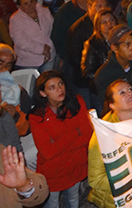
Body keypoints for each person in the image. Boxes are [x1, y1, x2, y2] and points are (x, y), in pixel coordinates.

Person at [29, 70, 93, 208]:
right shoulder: (37, 117)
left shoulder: (77, 102)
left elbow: (87, 135)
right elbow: (47, 152)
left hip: (76, 164)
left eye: (60, 84)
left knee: (74, 199)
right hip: (54, 171)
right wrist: (75, 133)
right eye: (52, 87)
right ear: (43, 93)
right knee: (52, 203)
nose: (59, 89)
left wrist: (57, 145)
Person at [87, 80, 132, 208]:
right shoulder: (104, 134)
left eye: (130, 89)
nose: (130, 93)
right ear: (112, 105)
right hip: (117, 200)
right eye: (122, 93)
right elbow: (96, 179)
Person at [9, 0, 56, 72]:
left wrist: (48, 47)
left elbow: (53, 30)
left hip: (49, 57)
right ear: (20, 6)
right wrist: (41, 49)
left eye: (31, 1)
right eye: (25, 3)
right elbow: (20, 41)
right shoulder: (15, 19)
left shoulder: (45, 12)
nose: (30, 5)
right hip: (28, 61)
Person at [81, 8, 118, 95]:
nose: (109, 24)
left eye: (111, 20)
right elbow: (88, 73)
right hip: (104, 89)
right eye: (104, 22)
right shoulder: (92, 44)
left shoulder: (123, 38)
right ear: (98, 26)